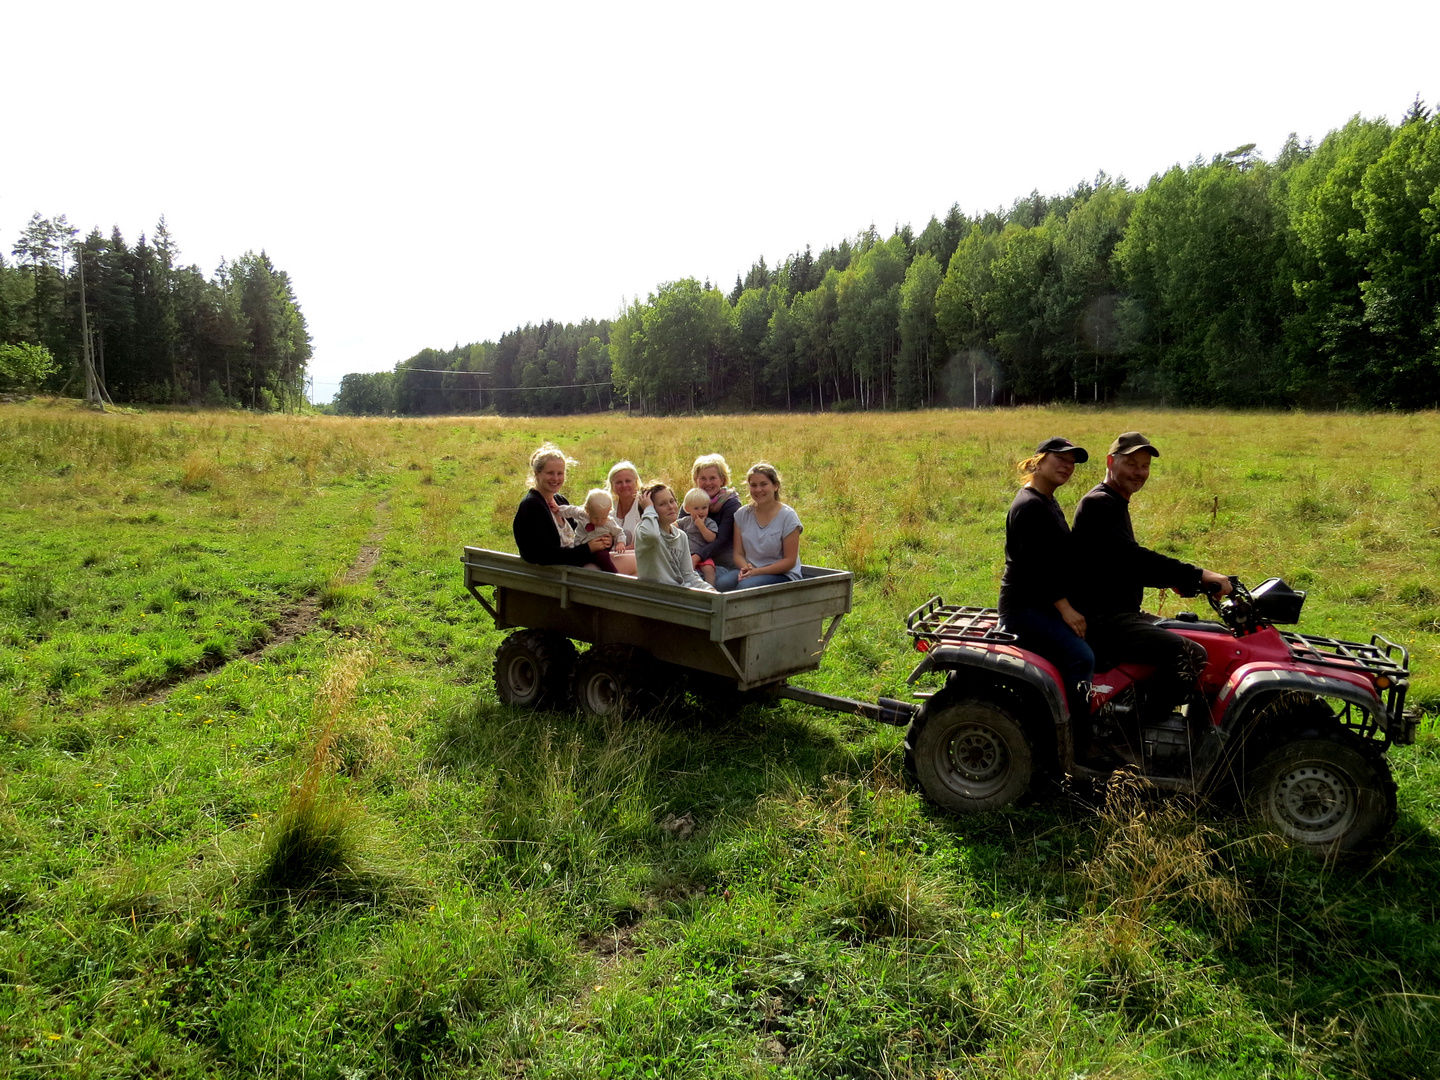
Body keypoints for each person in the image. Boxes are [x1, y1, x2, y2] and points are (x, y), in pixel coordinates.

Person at [1070, 431, 1232, 722]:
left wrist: (1179, 582)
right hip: (1102, 618)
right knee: (1190, 654)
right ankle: (1132, 735)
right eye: (1131, 464)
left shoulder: (1113, 502)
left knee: (1195, 632)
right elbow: (1133, 560)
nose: (1139, 472)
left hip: (1120, 612)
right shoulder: (1099, 504)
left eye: (1144, 466)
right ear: (1110, 462)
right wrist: (1199, 576)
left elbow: (1117, 563)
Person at [997, 437, 1097, 754]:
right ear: (1038, 461)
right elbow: (1037, 567)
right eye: (1060, 459)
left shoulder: (1046, 500)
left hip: (1041, 604)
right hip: (1024, 609)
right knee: (1082, 657)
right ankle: (1078, 743)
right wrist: (1066, 608)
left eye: (1072, 462)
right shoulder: (1029, 506)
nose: (1067, 466)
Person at [512, 443, 616, 569]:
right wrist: (588, 548)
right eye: (550, 473)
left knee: (633, 562)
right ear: (537, 474)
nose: (555, 478)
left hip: (576, 565)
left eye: (560, 473)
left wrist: (606, 541)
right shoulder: (532, 506)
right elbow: (542, 555)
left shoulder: (560, 500)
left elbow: (582, 532)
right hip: (554, 574)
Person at [722, 462, 802, 591]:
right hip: (751, 570)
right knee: (722, 583)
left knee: (745, 587)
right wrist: (746, 568)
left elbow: (789, 560)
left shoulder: (788, 517)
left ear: (775, 486)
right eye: (753, 485)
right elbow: (738, 553)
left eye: (763, 484)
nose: (758, 490)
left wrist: (757, 572)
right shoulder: (741, 515)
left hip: (781, 574)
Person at [634, 482, 716, 591]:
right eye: (662, 504)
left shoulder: (681, 536)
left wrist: (708, 589)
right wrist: (648, 509)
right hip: (655, 596)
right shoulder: (644, 531)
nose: (670, 507)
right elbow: (652, 535)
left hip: (678, 596)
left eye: (672, 501)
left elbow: (688, 575)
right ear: (651, 510)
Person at [684, 453, 741, 578]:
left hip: (722, 562)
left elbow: (722, 540)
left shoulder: (731, 503)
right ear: (696, 480)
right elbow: (678, 527)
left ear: (722, 480)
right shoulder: (692, 499)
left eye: (713, 478)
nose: (708, 483)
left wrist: (696, 558)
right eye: (703, 478)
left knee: (698, 578)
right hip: (690, 559)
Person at [558, 489, 626, 574]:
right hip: (580, 549)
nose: (599, 521)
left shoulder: (609, 523)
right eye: (596, 518)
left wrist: (620, 542)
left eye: (603, 518)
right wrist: (558, 510)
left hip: (598, 550)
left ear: (609, 511)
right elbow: (571, 510)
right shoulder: (583, 515)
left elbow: (619, 533)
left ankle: (614, 575)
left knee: (603, 557)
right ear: (587, 510)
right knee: (575, 559)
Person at [605, 460, 648, 575]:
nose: (624, 485)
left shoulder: (644, 504)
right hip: (612, 557)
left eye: (628, 481)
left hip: (639, 556)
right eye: (619, 482)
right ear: (612, 486)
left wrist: (619, 551)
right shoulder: (608, 505)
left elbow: (646, 542)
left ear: (636, 482)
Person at [678, 488, 719, 586]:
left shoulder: (709, 522)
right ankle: (686, 585)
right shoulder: (685, 521)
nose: (701, 512)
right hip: (687, 555)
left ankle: (710, 589)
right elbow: (673, 525)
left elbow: (711, 538)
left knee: (709, 569)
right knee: (686, 568)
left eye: (704, 508)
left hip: (703, 556)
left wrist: (701, 526)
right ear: (688, 509)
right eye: (696, 508)